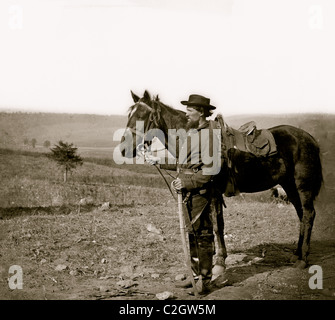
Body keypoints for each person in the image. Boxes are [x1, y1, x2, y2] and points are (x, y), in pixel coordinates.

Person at [145, 94, 225, 295]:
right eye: (187, 110)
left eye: (190, 111)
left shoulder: (210, 134)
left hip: (200, 193)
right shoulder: (193, 132)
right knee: (192, 234)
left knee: (203, 235)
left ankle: (205, 280)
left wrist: (187, 181)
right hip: (188, 192)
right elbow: (183, 163)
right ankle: (195, 276)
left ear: (202, 112)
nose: (186, 114)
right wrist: (159, 161)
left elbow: (211, 170)